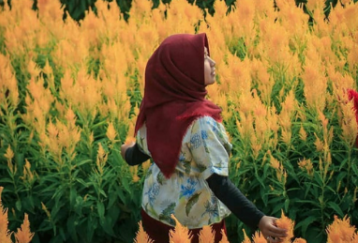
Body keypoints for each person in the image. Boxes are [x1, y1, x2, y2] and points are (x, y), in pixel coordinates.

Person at [120, 33, 287, 243]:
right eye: (204, 58)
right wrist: (259, 220)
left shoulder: (155, 109)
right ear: (184, 69)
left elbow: (140, 152)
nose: (213, 62)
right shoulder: (200, 123)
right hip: (196, 226)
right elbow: (219, 184)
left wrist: (124, 151)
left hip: (155, 213)